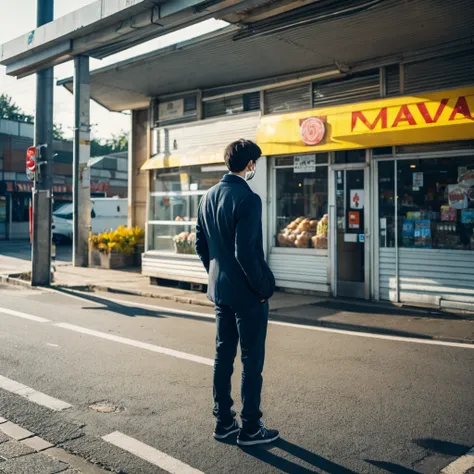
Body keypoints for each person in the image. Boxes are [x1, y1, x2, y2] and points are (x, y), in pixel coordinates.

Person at [195, 139, 279, 446]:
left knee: (223, 356)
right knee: (251, 360)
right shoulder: (248, 198)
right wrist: (262, 288)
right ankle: (251, 428)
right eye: (254, 163)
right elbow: (245, 252)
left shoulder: (207, 197)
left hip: (220, 292)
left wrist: (217, 275)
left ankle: (224, 422)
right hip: (247, 294)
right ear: (250, 165)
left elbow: (200, 246)